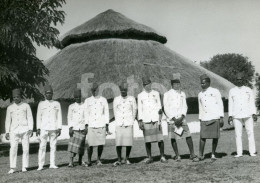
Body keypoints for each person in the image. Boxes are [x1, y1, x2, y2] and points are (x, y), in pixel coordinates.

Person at [163, 73, 199, 162]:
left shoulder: (182, 93)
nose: (177, 85)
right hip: (172, 120)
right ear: (172, 84)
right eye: (175, 84)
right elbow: (166, 108)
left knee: (188, 135)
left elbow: (185, 106)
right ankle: (177, 155)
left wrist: (182, 117)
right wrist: (174, 119)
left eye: (178, 83)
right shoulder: (167, 94)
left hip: (182, 119)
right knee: (173, 138)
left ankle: (192, 154)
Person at [137, 75, 167, 164]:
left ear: (151, 84)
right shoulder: (140, 95)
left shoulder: (156, 93)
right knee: (147, 140)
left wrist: (160, 116)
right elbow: (140, 108)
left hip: (156, 119)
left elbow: (159, 106)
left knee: (160, 139)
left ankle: (162, 156)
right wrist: (140, 121)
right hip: (146, 120)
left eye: (149, 84)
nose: (147, 86)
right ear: (143, 85)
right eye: (145, 84)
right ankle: (149, 157)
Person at [228, 73, 258, 157]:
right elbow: (230, 104)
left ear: (243, 80)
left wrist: (254, 113)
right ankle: (239, 153)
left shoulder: (248, 89)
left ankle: (252, 152)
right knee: (238, 134)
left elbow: (252, 102)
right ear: (235, 80)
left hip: (248, 114)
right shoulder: (232, 91)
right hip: (236, 115)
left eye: (240, 79)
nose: (239, 81)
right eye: (237, 79)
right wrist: (230, 116)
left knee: (250, 132)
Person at [5, 88, 33, 174]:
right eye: (14, 97)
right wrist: (7, 131)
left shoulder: (26, 106)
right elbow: (8, 120)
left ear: (20, 97)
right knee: (13, 148)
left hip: (25, 129)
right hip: (13, 130)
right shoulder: (10, 108)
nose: (16, 98)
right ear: (13, 98)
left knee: (25, 148)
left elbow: (30, 117)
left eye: (17, 97)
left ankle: (24, 166)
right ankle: (12, 167)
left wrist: (31, 129)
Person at [198, 74, 224, 161]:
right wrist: (200, 119)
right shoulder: (200, 94)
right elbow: (200, 107)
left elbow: (220, 104)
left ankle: (213, 154)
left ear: (208, 83)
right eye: (201, 83)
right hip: (204, 118)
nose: (202, 85)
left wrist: (221, 117)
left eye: (203, 83)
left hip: (214, 117)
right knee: (202, 137)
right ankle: (200, 155)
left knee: (215, 137)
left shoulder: (215, 91)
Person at [37, 85, 62, 170]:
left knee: (53, 146)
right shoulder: (41, 104)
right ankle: (40, 165)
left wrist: (59, 127)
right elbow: (38, 117)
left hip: (53, 128)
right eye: (47, 93)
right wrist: (38, 128)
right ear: (45, 94)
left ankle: (52, 164)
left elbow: (59, 116)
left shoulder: (56, 104)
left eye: (50, 93)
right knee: (42, 146)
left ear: (52, 94)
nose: (49, 95)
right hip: (43, 127)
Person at [84, 82, 109, 166]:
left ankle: (98, 159)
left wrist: (107, 124)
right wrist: (86, 125)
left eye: (96, 90)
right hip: (91, 125)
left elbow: (106, 113)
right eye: (93, 90)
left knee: (100, 143)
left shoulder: (103, 100)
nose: (94, 91)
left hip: (101, 124)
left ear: (98, 90)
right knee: (90, 144)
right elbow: (86, 113)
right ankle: (89, 160)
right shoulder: (87, 101)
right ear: (91, 91)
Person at [113, 82, 137, 166]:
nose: (123, 91)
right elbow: (115, 111)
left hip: (128, 122)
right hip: (119, 123)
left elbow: (134, 110)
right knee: (118, 142)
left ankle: (127, 158)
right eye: (122, 90)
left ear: (127, 90)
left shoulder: (132, 98)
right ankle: (119, 159)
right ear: (120, 90)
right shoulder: (116, 99)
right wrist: (118, 120)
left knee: (128, 142)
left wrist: (131, 120)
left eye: (124, 90)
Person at [67, 89, 88, 167]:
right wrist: (70, 128)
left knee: (81, 146)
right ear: (74, 98)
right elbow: (69, 117)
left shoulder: (84, 105)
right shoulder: (71, 106)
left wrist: (86, 127)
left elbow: (86, 116)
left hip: (82, 128)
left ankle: (80, 160)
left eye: (79, 97)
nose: (78, 98)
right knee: (72, 146)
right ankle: (71, 162)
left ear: (81, 97)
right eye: (76, 97)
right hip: (74, 128)